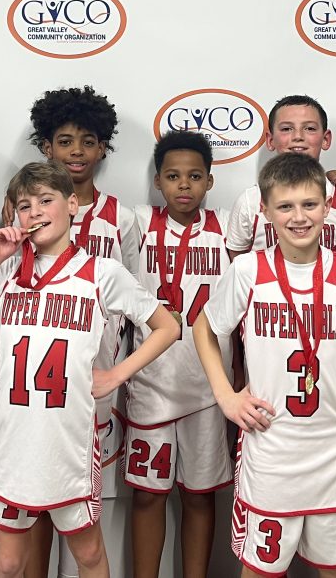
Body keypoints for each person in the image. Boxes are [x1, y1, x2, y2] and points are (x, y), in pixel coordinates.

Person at [0, 161, 180, 578]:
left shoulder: (101, 272)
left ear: (71, 205)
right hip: (13, 440)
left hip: (69, 441)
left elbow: (168, 327)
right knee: (7, 562)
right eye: (24, 205)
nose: (35, 212)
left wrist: (117, 375)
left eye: (45, 201)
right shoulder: (7, 269)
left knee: (88, 554)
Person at [195, 153, 336, 578]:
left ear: (328, 207)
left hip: (334, 448)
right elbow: (205, 329)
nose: (299, 217)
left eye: (309, 205)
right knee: (261, 571)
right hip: (271, 451)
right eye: (285, 206)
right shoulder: (248, 270)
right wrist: (226, 396)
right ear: (265, 211)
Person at [25, 85, 142, 578]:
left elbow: (137, 306)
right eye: (65, 140)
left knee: (83, 510)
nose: (76, 151)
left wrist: (120, 374)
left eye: (88, 141)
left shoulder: (122, 218)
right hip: (35, 387)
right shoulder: (28, 211)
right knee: (34, 505)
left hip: (96, 382)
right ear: (46, 146)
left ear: (103, 148)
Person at [127, 131, 232, 578]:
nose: (184, 185)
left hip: (208, 387)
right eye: (172, 176)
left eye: (194, 176)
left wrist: (333, 178)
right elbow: (79, 206)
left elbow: (280, 199)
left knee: (199, 495)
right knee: (148, 495)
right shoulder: (136, 222)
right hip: (151, 384)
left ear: (210, 181)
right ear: (157, 181)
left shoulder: (229, 226)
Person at [225, 94, 336, 259]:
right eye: (286, 129)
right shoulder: (250, 201)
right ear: (270, 140)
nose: (298, 136)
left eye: (309, 128)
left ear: (325, 139)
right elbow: (239, 265)